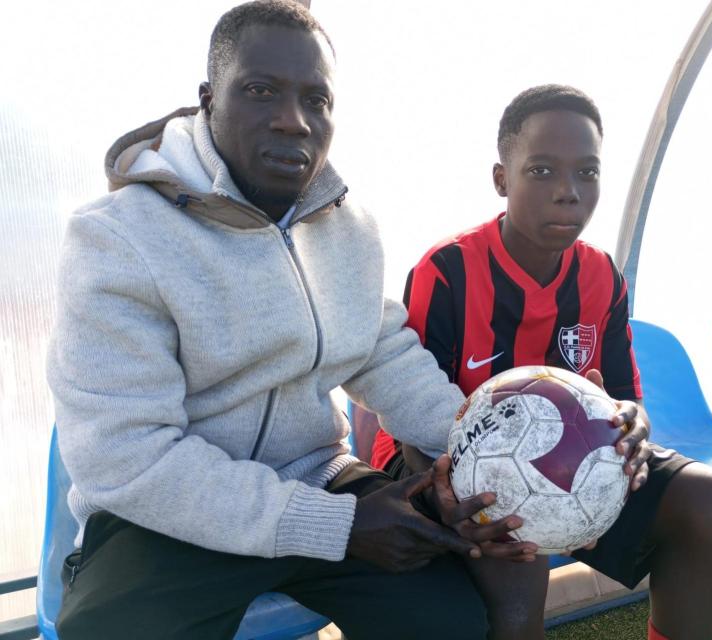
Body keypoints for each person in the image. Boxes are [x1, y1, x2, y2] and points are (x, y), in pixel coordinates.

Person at [46, 2, 534, 638]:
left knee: (446, 618)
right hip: (169, 514)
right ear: (207, 99)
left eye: (317, 99)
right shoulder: (116, 237)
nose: (292, 120)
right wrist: (333, 527)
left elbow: (384, 353)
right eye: (259, 90)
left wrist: (478, 451)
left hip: (317, 478)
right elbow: (126, 457)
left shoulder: (349, 227)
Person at [370, 85, 712, 640]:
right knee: (515, 551)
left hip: (573, 467)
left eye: (587, 173)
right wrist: (505, 496)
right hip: (438, 466)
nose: (569, 193)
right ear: (502, 179)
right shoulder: (448, 271)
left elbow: (623, 395)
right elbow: (414, 429)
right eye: (542, 171)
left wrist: (633, 425)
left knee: (710, 501)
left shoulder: (601, 276)